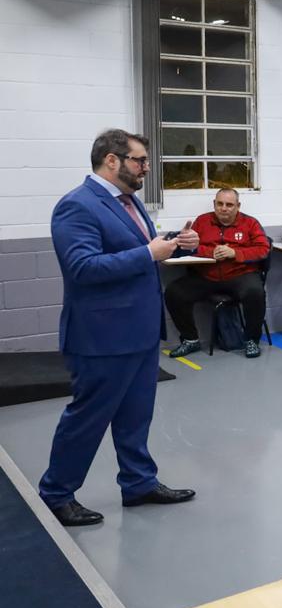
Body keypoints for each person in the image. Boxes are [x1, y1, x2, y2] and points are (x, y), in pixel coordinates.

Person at [40, 129, 198, 527]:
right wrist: (149, 252)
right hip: (102, 337)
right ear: (112, 160)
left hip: (140, 333)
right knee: (87, 419)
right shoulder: (76, 206)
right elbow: (83, 268)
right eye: (139, 160)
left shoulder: (128, 202)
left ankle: (139, 482)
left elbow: (133, 250)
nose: (146, 167)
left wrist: (176, 242)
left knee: (135, 416)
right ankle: (56, 494)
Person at [165, 188, 270, 359]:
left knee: (255, 293)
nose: (224, 208)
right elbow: (190, 247)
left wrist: (235, 253)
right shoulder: (202, 221)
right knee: (174, 292)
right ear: (214, 204)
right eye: (220, 204)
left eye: (229, 205)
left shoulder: (250, 223)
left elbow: (263, 249)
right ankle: (190, 340)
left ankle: (251, 340)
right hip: (206, 276)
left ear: (238, 206)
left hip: (239, 275)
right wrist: (210, 252)